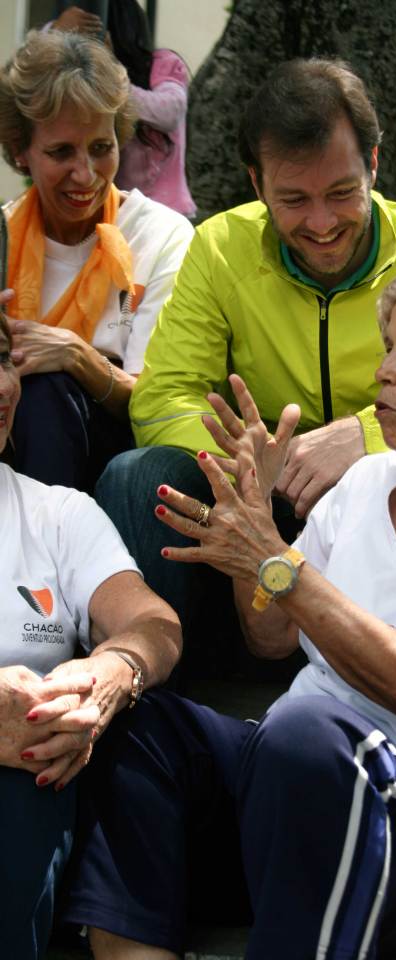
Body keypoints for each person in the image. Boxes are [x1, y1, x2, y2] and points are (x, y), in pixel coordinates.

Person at [62, 259, 396, 959]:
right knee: (140, 721)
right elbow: (272, 636)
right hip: (298, 785)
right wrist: (256, 540)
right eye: (389, 345)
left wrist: (281, 564)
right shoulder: (367, 482)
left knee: (307, 732)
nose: (385, 369)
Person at [96, 56, 396, 677]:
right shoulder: (219, 247)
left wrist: (370, 441)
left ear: (373, 162)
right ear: (255, 184)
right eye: (293, 199)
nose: (321, 223)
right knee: (139, 477)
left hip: (391, 501)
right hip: (256, 490)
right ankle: (167, 692)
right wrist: (253, 459)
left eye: (341, 193)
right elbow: (162, 398)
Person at [0, 303, 182, 959]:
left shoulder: (56, 513)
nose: (0, 388)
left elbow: (151, 623)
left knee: (39, 758)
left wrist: (110, 674)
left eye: (1, 359)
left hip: (28, 792)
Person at [0, 28, 193, 492]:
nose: (85, 174)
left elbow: (157, 400)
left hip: (117, 458)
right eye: (61, 151)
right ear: (21, 153)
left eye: (101, 148)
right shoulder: (1, 235)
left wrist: (73, 354)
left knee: (45, 391)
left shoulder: (162, 235)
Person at [53, 1, 197, 218]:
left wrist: (111, 73)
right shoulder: (83, 81)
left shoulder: (163, 63)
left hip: (166, 210)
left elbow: (169, 112)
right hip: (115, 209)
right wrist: (53, 34)